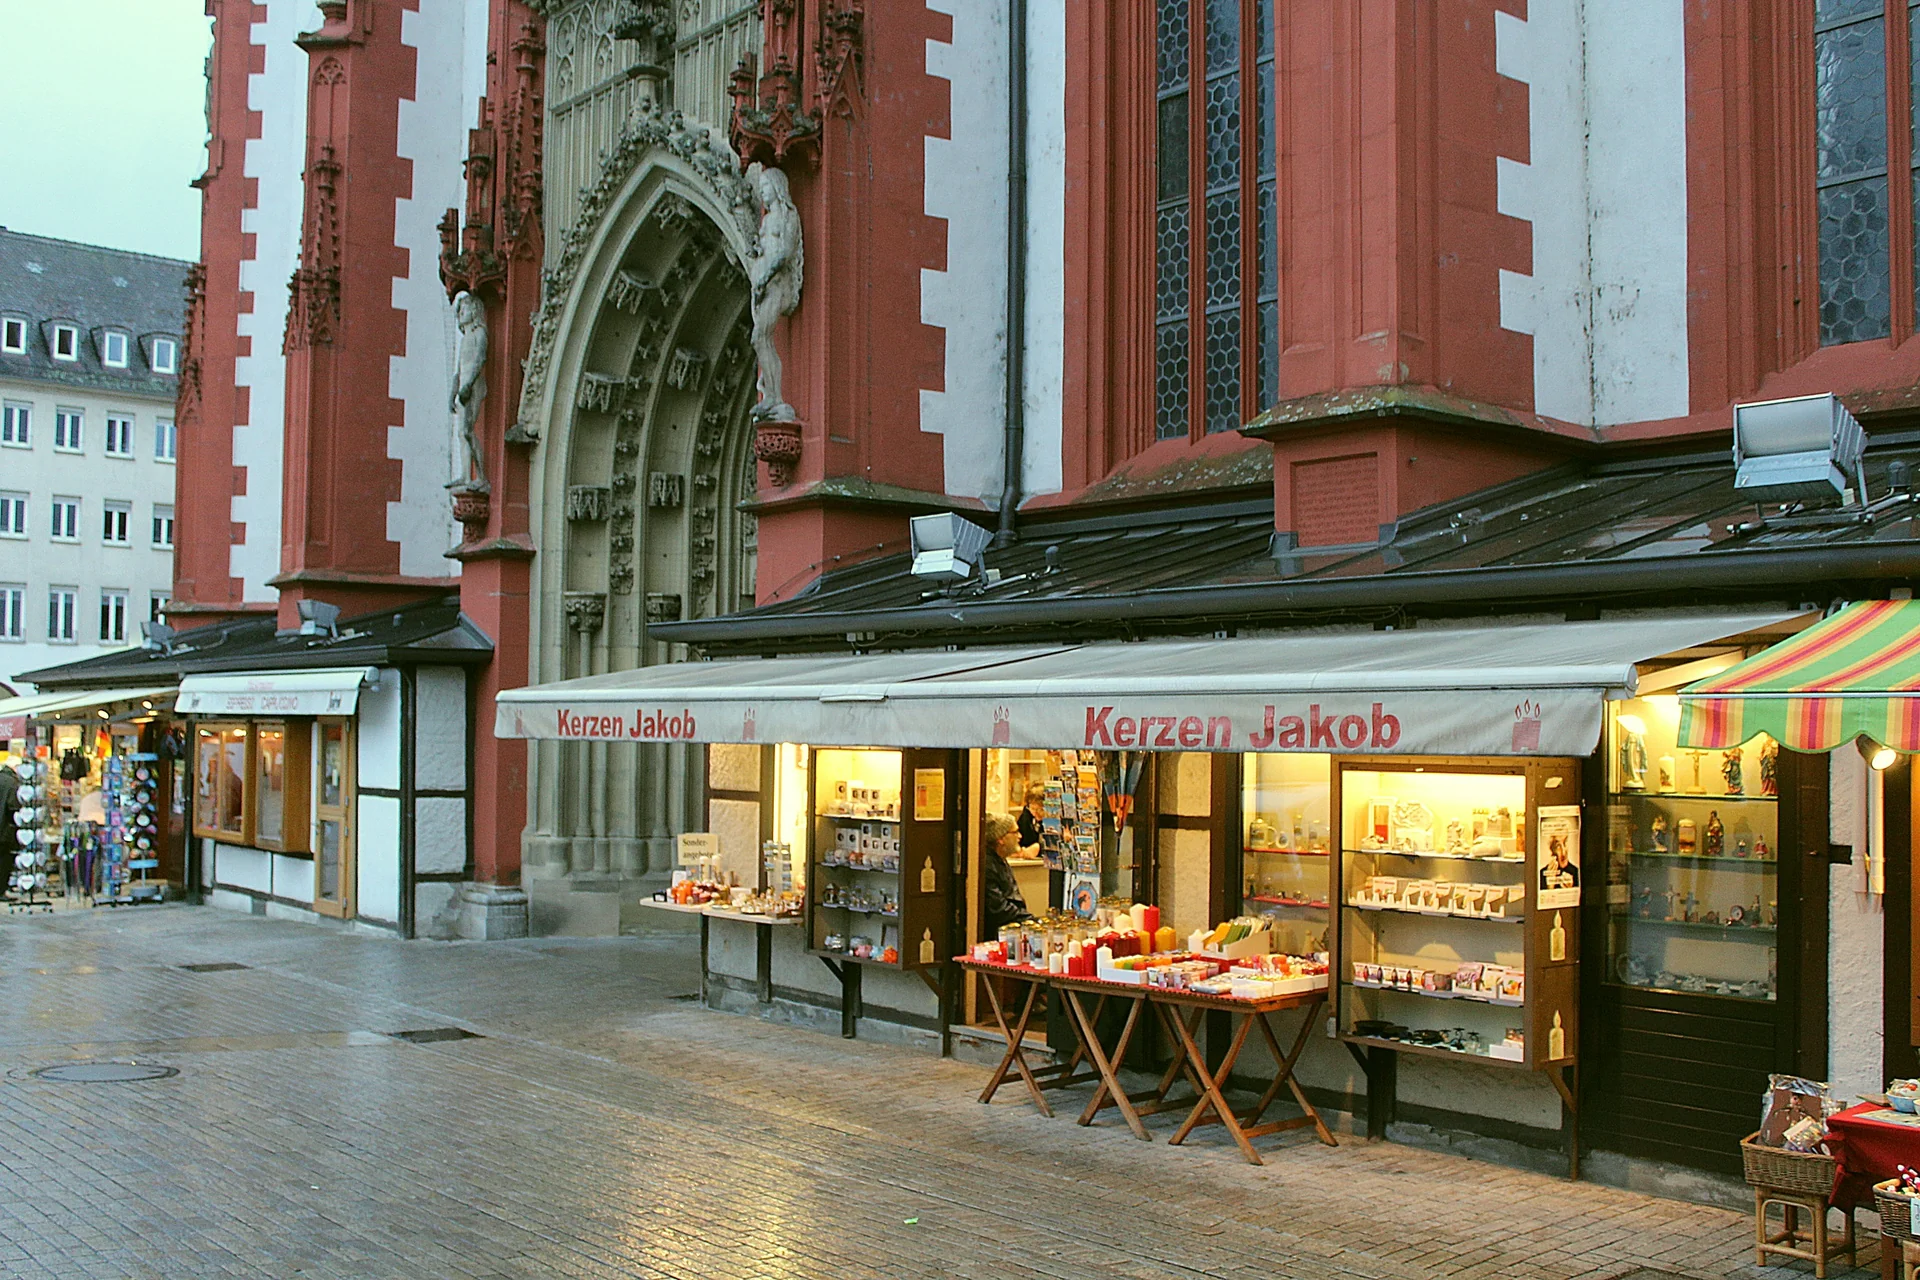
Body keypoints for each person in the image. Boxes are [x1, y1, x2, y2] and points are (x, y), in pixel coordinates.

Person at [1014, 781, 1065, 911]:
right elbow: (1019, 838)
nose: (1036, 814)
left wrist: (1040, 847)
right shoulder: (1027, 816)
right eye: (1032, 809)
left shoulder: (1057, 819)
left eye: (1040, 809)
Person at [981, 812, 1033, 934]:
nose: (1020, 836)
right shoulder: (988, 865)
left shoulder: (1000, 860)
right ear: (1001, 839)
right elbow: (998, 909)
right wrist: (1028, 921)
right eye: (1015, 832)